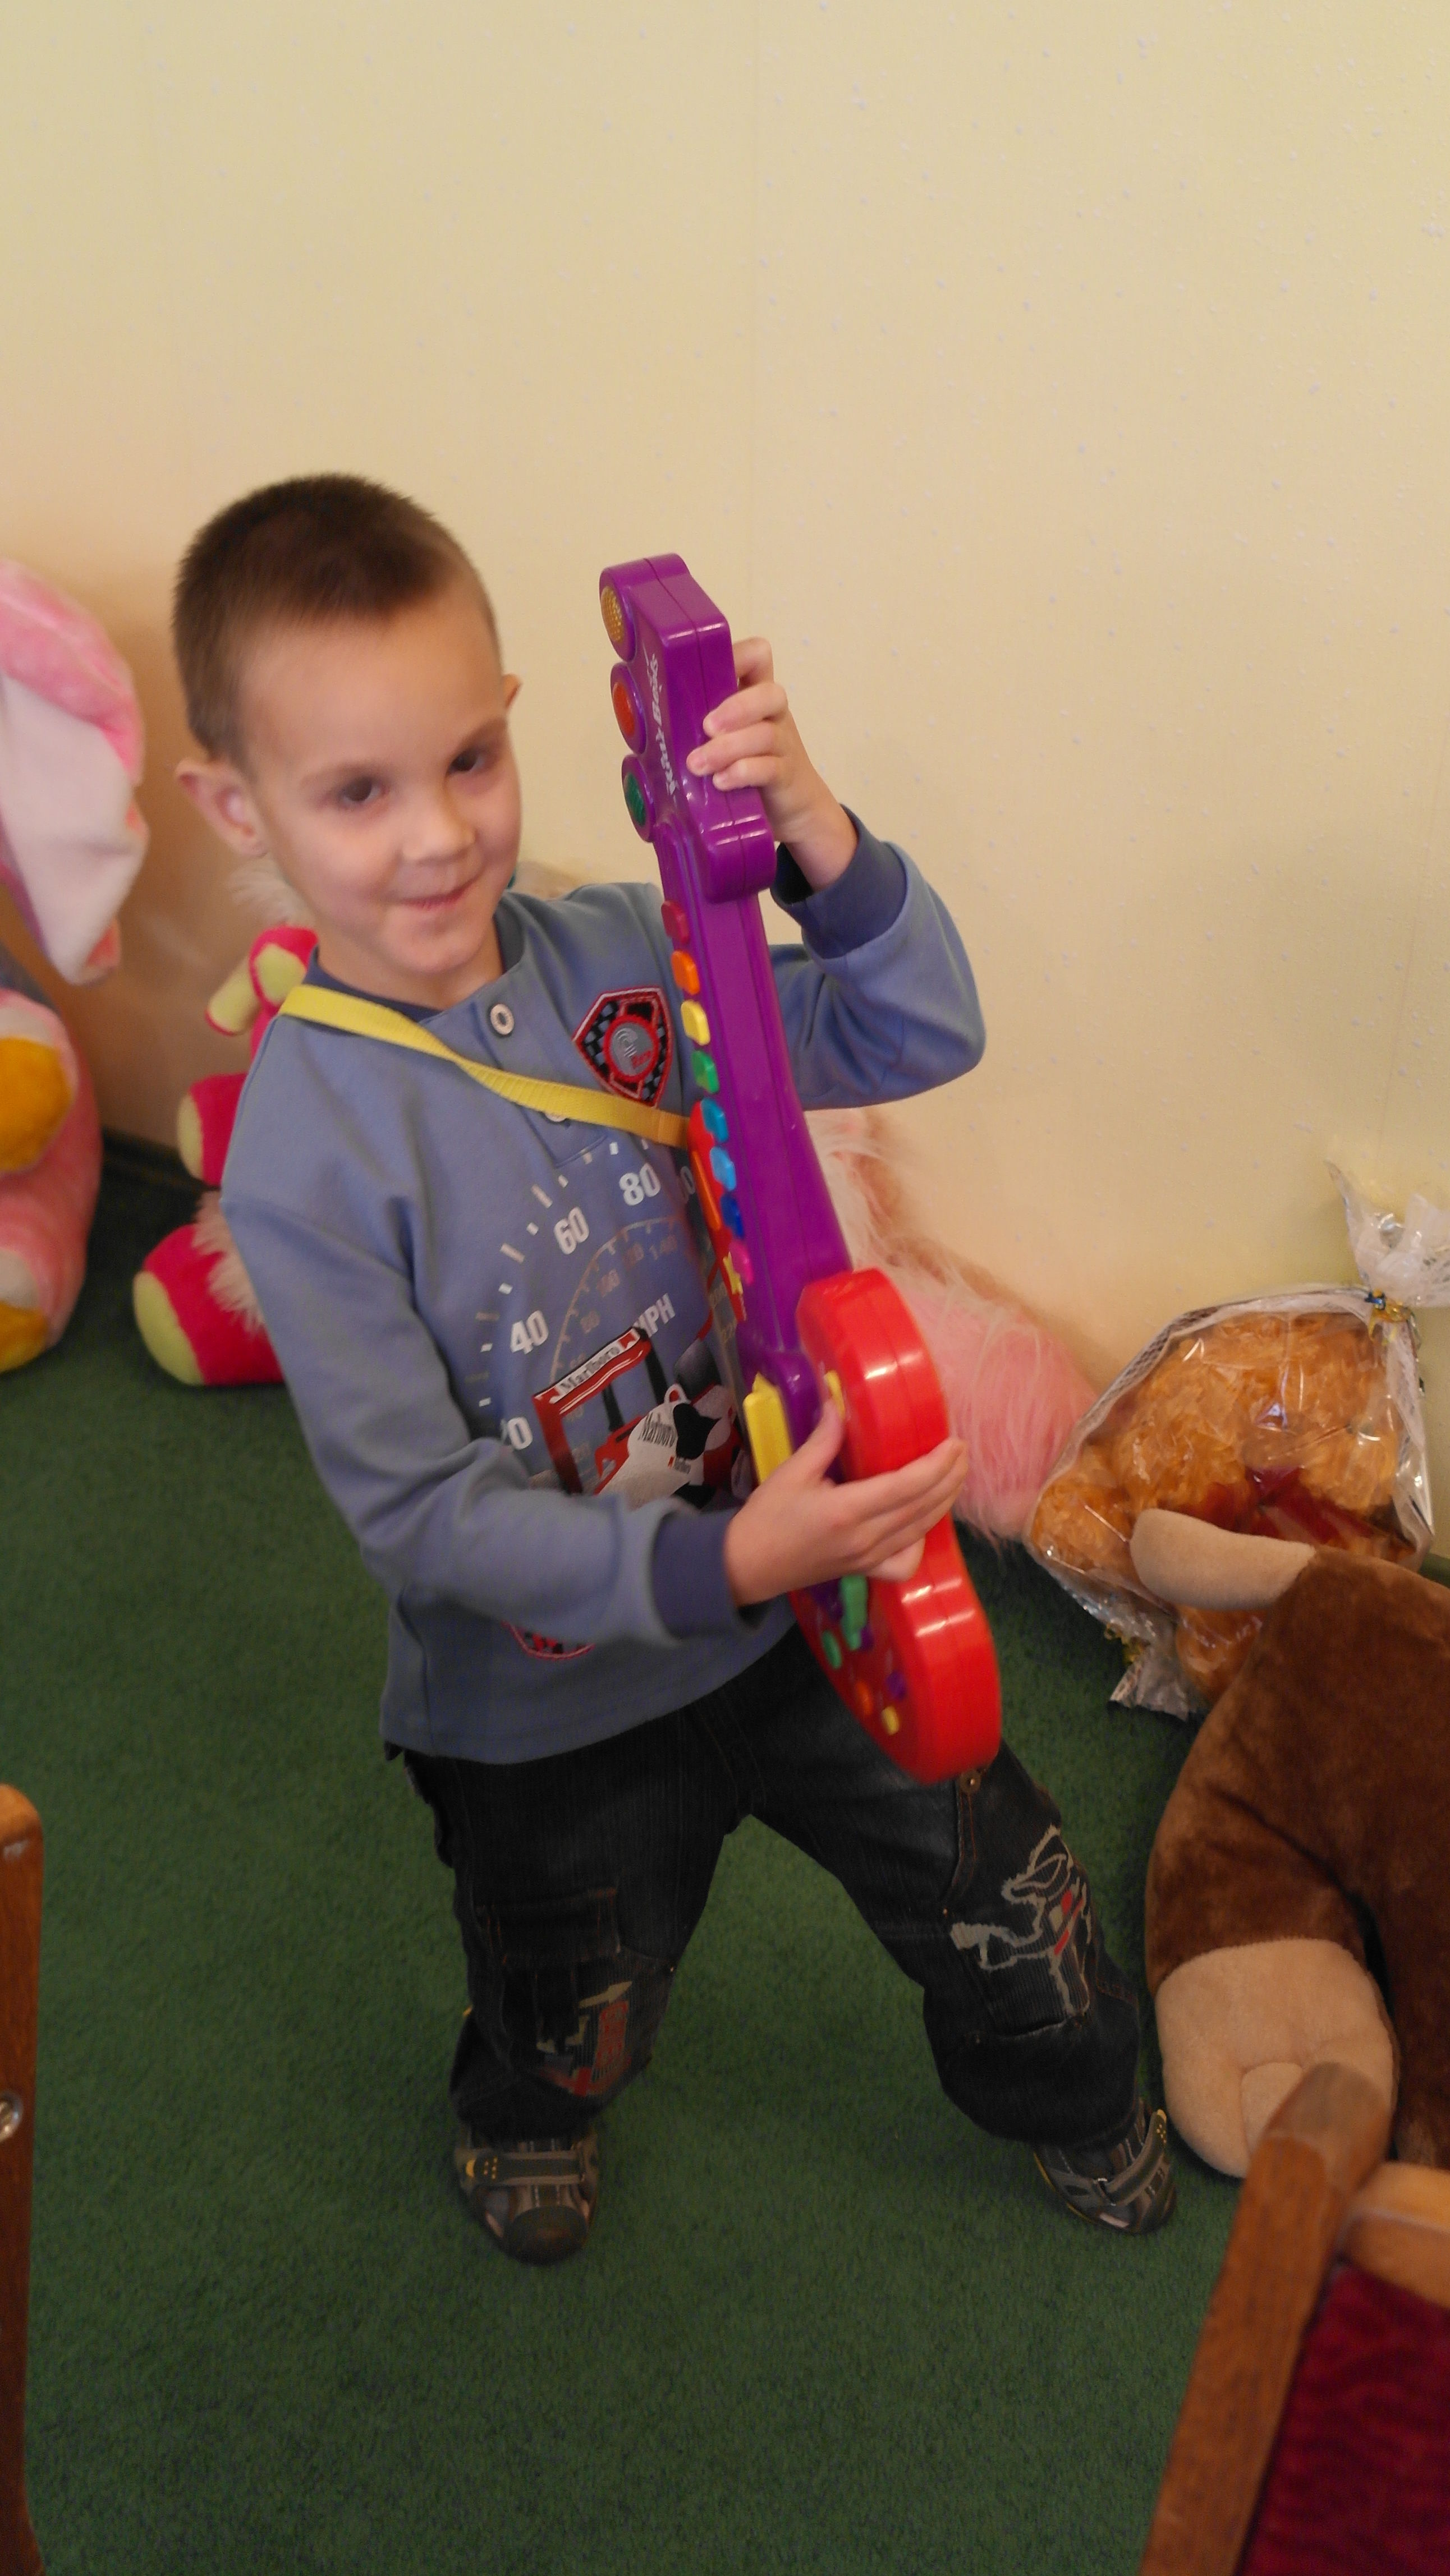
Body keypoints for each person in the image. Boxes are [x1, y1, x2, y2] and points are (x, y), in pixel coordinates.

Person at [177, 474, 1174, 2263]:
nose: (438, 837)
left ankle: (1078, 2097)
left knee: (999, 1886)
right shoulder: (304, 1161)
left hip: (813, 1608)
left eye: (470, 759)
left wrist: (814, 830)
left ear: (515, 718)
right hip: (550, 1704)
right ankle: (526, 2113)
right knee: (574, 1989)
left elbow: (914, 1026)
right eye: (356, 792)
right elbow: (421, 1519)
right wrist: (720, 1560)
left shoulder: (634, 952)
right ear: (236, 805)